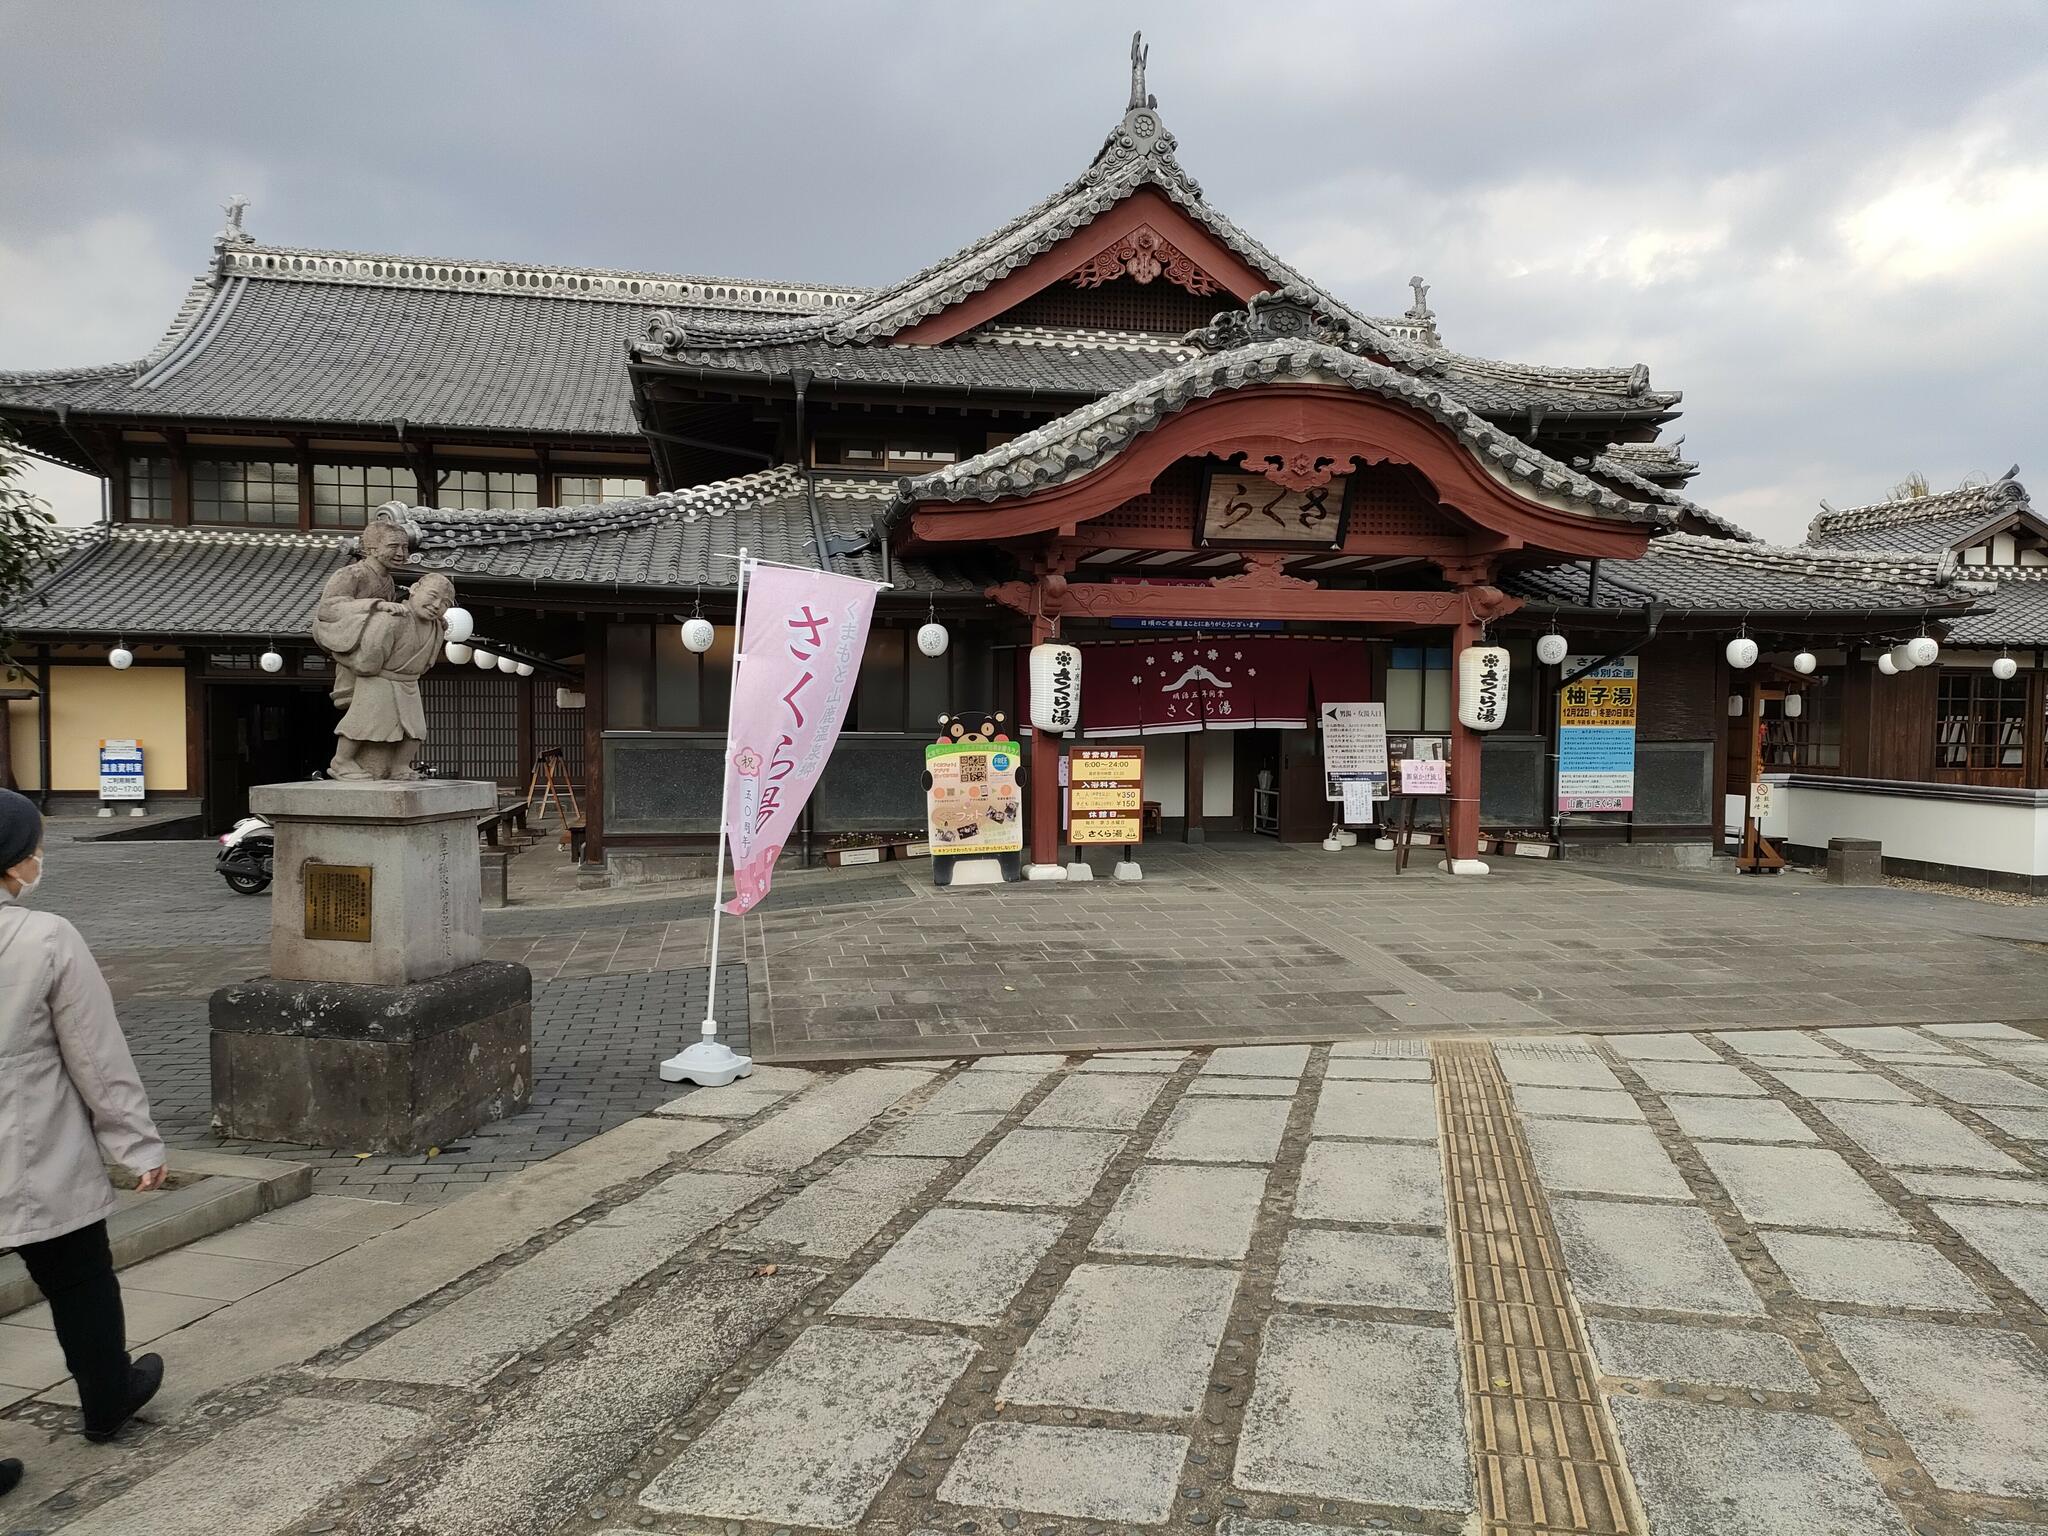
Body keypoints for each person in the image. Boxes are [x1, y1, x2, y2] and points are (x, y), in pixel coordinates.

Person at [0, 789, 167, 1455]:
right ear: (13, 864)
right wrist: (136, 1144)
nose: (39, 857)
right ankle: (107, 1399)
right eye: (33, 847)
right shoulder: (42, 936)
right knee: (80, 1279)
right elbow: (97, 1057)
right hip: (33, 1143)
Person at [328, 572, 454, 780]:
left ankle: (400, 765)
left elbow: (428, 661)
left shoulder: (437, 627)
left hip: (408, 682)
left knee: (415, 730)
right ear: (414, 589)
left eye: (445, 603)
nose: (437, 605)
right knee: (364, 723)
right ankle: (341, 760)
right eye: (432, 596)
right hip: (379, 678)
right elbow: (372, 652)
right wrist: (364, 667)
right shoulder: (392, 618)